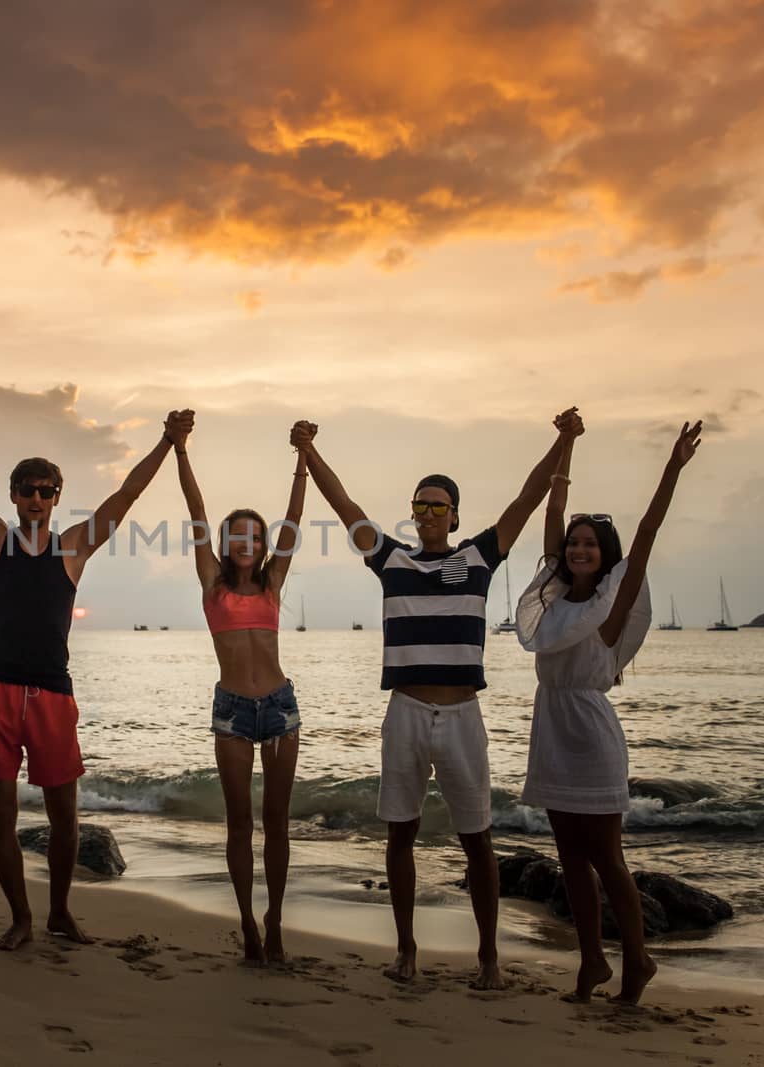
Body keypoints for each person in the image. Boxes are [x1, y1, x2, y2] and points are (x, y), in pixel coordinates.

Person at [294, 408, 582, 987]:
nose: (428, 514)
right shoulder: (390, 559)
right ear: (412, 512)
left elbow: (527, 500)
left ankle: (488, 959)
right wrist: (307, 452)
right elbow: (344, 506)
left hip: (461, 715)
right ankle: (405, 949)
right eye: (420, 505)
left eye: (438, 506)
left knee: (477, 838)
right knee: (401, 832)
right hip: (405, 711)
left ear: (454, 515)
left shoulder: (478, 557)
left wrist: (561, 441)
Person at [0, 380, 182, 950]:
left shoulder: (73, 547)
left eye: (47, 491)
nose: (36, 498)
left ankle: (58, 912)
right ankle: (21, 919)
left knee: (66, 819)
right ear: (12, 495)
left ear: (57, 497)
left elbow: (125, 496)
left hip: (53, 695)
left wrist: (166, 441)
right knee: (0, 818)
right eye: (28, 490)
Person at [517, 418, 704, 1004]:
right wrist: (567, 443)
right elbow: (554, 508)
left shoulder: (611, 604)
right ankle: (591, 963)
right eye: (573, 543)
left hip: (592, 736)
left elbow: (648, 531)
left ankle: (638, 961)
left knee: (608, 858)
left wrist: (671, 467)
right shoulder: (552, 602)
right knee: (569, 858)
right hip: (551, 727)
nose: (577, 549)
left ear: (604, 556)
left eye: (589, 545)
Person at [168, 409, 306, 964]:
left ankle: (275, 920)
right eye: (237, 536)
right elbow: (196, 511)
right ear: (225, 543)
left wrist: (301, 459)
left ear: (262, 543)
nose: (245, 543)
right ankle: (247, 921)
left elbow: (295, 519)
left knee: (276, 820)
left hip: (279, 708)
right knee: (239, 822)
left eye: (254, 536)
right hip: (231, 712)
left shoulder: (274, 582)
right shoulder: (211, 582)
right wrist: (180, 449)